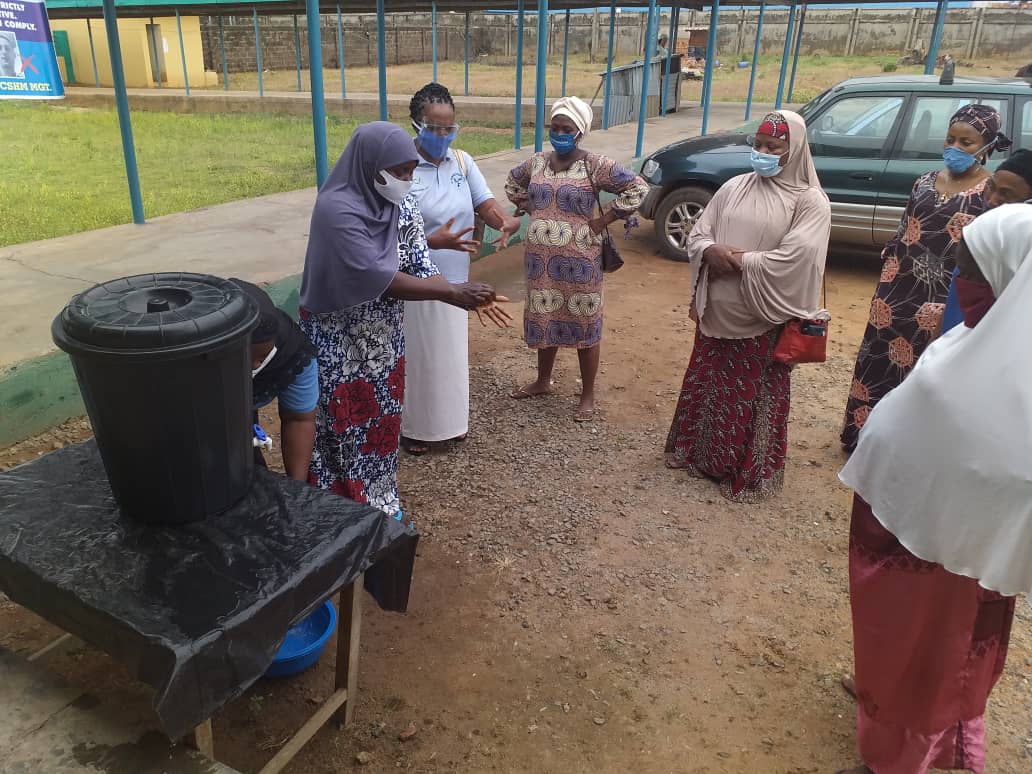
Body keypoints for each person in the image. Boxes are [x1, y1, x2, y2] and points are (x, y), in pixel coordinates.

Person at [836, 203, 1032, 774]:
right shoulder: (974, 344)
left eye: (971, 268)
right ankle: (925, 731)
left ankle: (902, 759)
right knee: (915, 652)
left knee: (929, 659)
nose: (960, 283)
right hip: (918, 535)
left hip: (947, 557)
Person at [299, 122, 508, 517]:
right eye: (399, 172)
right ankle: (337, 510)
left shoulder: (403, 203)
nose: (407, 181)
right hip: (339, 341)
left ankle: (379, 500)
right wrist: (452, 292)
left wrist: (463, 297)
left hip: (385, 341)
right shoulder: (336, 209)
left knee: (382, 423)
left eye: (411, 171)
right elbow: (371, 274)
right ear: (370, 165)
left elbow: (418, 263)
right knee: (340, 428)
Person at [664, 111, 830, 502]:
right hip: (717, 308)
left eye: (773, 147)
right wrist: (709, 250)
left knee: (751, 392)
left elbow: (798, 259)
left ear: (795, 150)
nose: (763, 152)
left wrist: (738, 260)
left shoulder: (810, 203)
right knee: (708, 381)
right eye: (758, 145)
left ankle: (741, 470)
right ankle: (694, 453)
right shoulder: (735, 186)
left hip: (764, 316)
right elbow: (700, 232)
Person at [840, 104, 1009, 451]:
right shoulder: (924, 182)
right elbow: (902, 234)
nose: (955, 148)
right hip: (897, 291)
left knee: (924, 373)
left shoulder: (992, 194)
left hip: (944, 298)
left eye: (966, 142)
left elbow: (988, 255)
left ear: (987, 146)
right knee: (876, 363)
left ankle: (904, 449)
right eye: (950, 139)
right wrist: (884, 285)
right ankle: (860, 437)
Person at [504, 96, 648, 421]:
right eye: (554, 127)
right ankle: (543, 381)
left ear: (579, 131)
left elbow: (638, 188)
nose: (559, 133)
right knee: (546, 317)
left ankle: (588, 394)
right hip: (540, 264)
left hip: (581, 263)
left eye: (566, 128)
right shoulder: (537, 162)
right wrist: (529, 205)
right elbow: (512, 182)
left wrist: (605, 218)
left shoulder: (594, 165)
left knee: (584, 323)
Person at [401, 83, 522, 455]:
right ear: (415, 125)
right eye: (433, 128)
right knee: (419, 355)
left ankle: (451, 425)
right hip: (416, 279)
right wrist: (431, 241)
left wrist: (503, 221)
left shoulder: (463, 162)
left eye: (448, 129)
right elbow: (395, 227)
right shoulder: (403, 166)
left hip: (457, 278)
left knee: (450, 354)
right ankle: (416, 429)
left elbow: (483, 202)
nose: (442, 136)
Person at [231, 278, 318, 482]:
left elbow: (300, 419)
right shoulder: (193, 360)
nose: (255, 367)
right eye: (247, 359)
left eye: (263, 358)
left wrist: (297, 490)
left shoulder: (294, 353)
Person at [940, 148, 1032, 333]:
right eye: (991, 186)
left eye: (1006, 194)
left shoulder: (1023, 261)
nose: (991, 200)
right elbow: (955, 299)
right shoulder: (979, 239)